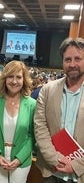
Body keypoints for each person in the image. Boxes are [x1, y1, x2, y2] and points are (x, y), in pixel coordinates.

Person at [34, 37, 84, 182]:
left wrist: (76, 165)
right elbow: (40, 128)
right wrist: (55, 159)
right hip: (51, 171)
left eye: (78, 59)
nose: (72, 64)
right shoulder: (47, 90)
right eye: (68, 59)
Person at [0, 60, 36, 183]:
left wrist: (19, 159)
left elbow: (32, 136)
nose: (14, 81)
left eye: (18, 77)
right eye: (10, 77)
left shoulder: (32, 104)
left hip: (21, 159)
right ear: (4, 79)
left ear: (24, 80)